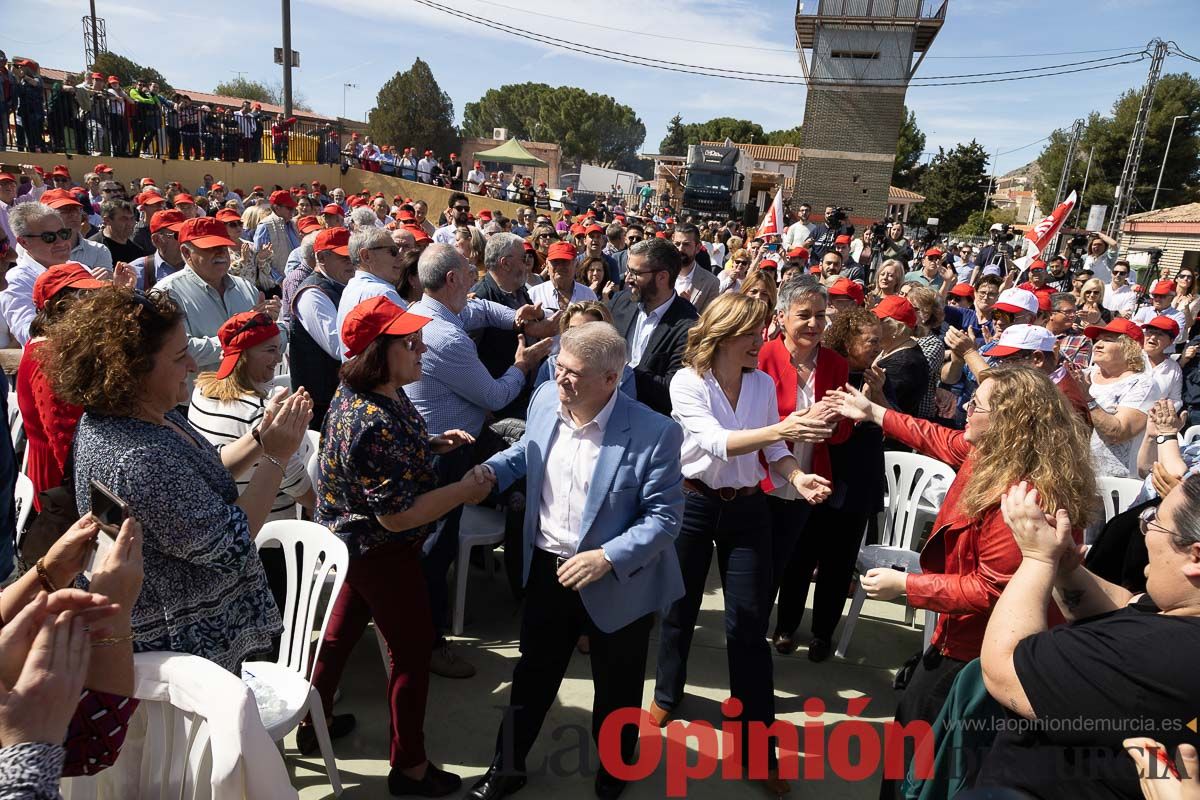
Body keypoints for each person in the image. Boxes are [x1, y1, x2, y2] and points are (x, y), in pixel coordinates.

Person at [827, 366, 1095, 800]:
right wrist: (874, 411)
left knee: (923, 759)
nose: (966, 408)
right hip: (960, 639)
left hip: (979, 656)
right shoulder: (991, 456)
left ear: (1010, 422)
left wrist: (907, 586)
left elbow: (992, 590)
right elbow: (934, 436)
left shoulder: (1025, 498)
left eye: (979, 405)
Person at [465, 322, 684, 800]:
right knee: (532, 676)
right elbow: (529, 450)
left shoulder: (655, 433)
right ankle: (506, 767)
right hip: (549, 568)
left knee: (618, 686)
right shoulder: (545, 397)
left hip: (617, 578)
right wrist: (492, 469)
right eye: (558, 367)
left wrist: (607, 556)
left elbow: (665, 519)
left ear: (612, 378)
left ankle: (613, 771)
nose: (561, 380)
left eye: (574, 374)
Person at [45, 286, 312, 672]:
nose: (192, 363)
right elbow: (232, 542)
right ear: (132, 371)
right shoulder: (141, 458)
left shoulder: (139, 414)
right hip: (187, 653)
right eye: (178, 355)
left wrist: (260, 439)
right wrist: (277, 455)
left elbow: (207, 470)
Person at [651, 294, 833, 796]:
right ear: (725, 333)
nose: (761, 342)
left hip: (749, 508)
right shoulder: (687, 381)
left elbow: (770, 447)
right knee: (678, 607)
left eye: (761, 332)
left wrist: (797, 474)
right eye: (753, 333)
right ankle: (668, 692)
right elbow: (713, 441)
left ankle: (758, 751)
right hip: (693, 503)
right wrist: (788, 426)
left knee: (749, 625)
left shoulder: (761, 382)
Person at [306, 296, 488, 796]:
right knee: (411, 652)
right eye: (409, 343)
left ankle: (310, 720)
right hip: (380, 551)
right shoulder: (372, 421)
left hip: (356, 546)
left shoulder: (372, 394)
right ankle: (409, 768)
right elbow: (397, 514)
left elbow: (389, 451)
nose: (421, 348)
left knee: (339, 638)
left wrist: (429, 444)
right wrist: (463, 491)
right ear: (377, 354)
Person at [976, 477, 1200, 798]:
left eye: (1157, 522)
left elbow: (1003, 668)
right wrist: (1067, 567)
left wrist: (1038, 559)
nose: (1147, 531)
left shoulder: (1164, 655)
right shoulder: (1181, 607)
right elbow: (1126, 608)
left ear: (1195, 557)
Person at [755, 276, 853, 661]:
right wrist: (799, 418)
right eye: (804, 315)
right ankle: (750, 629)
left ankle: (780, 627)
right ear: (781, 317)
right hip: (761, 478)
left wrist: (833, 423)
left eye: (820, 315)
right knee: (756, 565)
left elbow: (844, 431)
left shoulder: (836, 364)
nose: (813, 324)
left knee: (789, 562)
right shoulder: (760, 356)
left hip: (808, 483)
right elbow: (749, 421)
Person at [17, 265, 108, 509]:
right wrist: (83, 496)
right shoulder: (47, 358)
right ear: (53, 307)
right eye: (81, 297)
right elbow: (62, 437)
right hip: (60, 481)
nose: (91, 305)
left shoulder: (58, 347)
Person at [157, 217, 283, 387]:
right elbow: (180, 351)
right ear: (187, 253)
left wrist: (269, 325)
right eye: (211, 248)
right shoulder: (167, 292)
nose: (221, 253)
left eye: (224, 246)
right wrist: (239, 337)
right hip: (197, 403)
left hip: (247, 397)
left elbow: (269, 347)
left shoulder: (245, 287)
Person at [607, 238, 699, 415]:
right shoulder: (620, 301)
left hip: (647, 419)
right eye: (628, 270)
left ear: (662, 277)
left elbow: (672, 390)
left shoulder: (689, 327)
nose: (628, 279)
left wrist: (620, 373)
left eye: (635, 273)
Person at [291, 227, 355, 428]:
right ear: (322, 258)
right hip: (320, 404)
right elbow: (338, 347)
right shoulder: (313, 293)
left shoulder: (342, 286)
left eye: (352, 256)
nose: (350, 262)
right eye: (343, 257)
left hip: (336, 397)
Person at [1082, 318, 1155, 479]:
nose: (1098, 345)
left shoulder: (1142, 384)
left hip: (1113, 483)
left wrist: (1087, 398)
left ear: (1130, 348)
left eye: (1107, 340)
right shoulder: (1084, 375)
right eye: (1098, 339)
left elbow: (1119, 432)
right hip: (1076, 475)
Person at [872, 295, 928, 420]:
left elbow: (887, 408)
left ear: (897, 329)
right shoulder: (893, 348)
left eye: (878, 320)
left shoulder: (904, 364)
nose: (872, 325)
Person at [529, 241, 596, 315]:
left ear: (576, 265)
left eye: (565, 262)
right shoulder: (534, 294)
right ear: (547, 265)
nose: (560, 267)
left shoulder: (588, 295)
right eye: (555, 262)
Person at [128, 208, 187, 291]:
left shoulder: (201, 267)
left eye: (186, 233)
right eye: (177, 235)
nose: (184, 239)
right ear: (156, 240)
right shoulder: (136, 272)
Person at [671, 224, 720, 312]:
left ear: (697, 248)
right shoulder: (659, 273)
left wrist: (687, 309)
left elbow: (707, 321)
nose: (680, 249)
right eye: (677, 244)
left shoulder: (711, 283)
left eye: (686, 244)